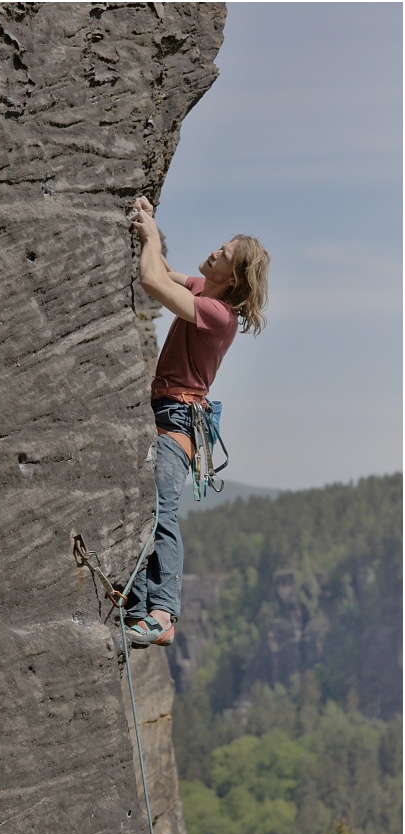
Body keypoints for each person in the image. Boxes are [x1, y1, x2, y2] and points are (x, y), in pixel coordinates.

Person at [125, 195, 270, 647]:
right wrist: (149, 222)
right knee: (149, 510)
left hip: (177, 417)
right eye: (220, 246)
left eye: (223, 255)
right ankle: (138, 604)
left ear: (233, 278)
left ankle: (163, 613)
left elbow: (151, 279)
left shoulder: (216, 314)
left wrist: (148, 235)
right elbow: (166, 271)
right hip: (172, 411)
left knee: (162, 514)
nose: (213, 252)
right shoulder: (204, 291)